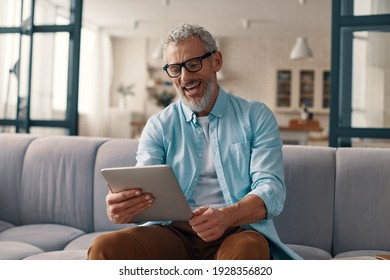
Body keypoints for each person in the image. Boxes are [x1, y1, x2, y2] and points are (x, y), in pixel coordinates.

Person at [88, 23, 301, 260]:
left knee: (247, 251)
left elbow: (271, 190)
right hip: (172, 232)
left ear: (216, 61)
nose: (185, 77)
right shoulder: (159, 124)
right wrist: (125, 209)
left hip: (237, 230)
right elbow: (144, 188)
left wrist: (226, 217)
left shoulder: (256, 116)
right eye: (175, 69)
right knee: (105, 247)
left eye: (193, 64)